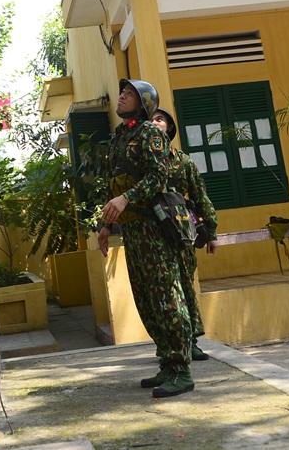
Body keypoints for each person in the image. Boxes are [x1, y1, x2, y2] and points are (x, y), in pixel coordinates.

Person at [98, 79, 194, 398]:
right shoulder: (119, 137)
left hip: (155, 228)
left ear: (144, 103)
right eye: (123, 92)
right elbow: (113, 183)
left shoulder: (151, 133)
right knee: (146, 300)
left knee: (167, 298)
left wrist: (127, 197)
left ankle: (182, 369)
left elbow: (158, 176)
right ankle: (167, 362)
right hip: (133, 231)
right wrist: (105, 226)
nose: (122, 96)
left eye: (129, 94)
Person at [151, 107, 218, 362]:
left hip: (181, 232)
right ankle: (167, 344)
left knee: (185, 287)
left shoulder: (184, 162)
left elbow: (200, 196)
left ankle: (191, 341)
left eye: (160, 119)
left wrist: (210, 231)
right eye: (152, 119)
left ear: (169, 127)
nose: (155, 123)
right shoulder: (143, 161)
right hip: (153, 234)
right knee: (161, 292)